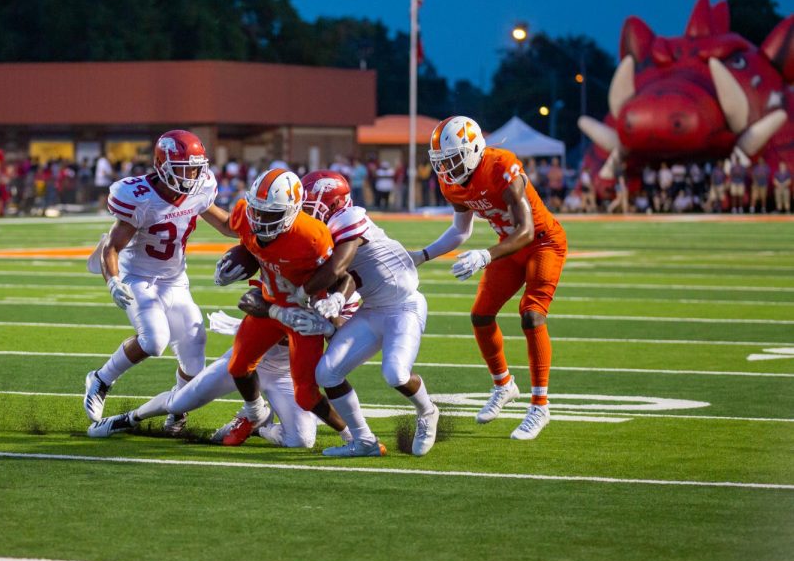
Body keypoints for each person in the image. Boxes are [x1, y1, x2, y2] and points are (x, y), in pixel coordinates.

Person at [413, 116, 568, 440]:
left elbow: (525, 229)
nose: (447, 169)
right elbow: (460, 231)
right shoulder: (452, 183)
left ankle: (540, 406)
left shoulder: (501, 165)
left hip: (542, 241)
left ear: (472, 151)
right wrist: (422, 255)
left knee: (532, 315)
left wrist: (485, 255)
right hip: (508, 246)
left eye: (452, 159)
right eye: (442, 162)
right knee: (481, 315)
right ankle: (504, 385)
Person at [83, 130, 238, 432]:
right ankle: (101, 378)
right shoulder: (139, 197)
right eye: (185, 169)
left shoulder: (199, 189)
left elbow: (226, 225)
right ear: (163, 166)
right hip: (139, 277)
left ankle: (177, 410)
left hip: (175, 280)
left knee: (195, 351)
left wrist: (259, 231)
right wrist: (113, 281)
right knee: (154, 341)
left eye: (196, 167)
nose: (193, 175)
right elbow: (112, 247)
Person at [292, 170, 439, 457]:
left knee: (396, 374)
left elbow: (337, 268)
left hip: (403, 306)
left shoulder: (349, 217)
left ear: (333, 204)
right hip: (372, 310)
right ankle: (364, 441)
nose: (305, 211)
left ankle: (428, 411)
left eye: (310, 204)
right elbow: (346, 276)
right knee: (327, 373)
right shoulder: (324, 230)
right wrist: (334, 300)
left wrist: (305, 293)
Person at [88, 288, 342, 448]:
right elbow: (249, 299)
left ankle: (258, 423)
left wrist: (330, 324)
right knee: (178, 404)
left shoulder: (336, 295)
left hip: (286, 374)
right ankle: (128, 419)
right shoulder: (283, 272)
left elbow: (344, 340)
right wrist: (276, 314)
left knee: (302, 441)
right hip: (248, 359)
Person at [219, 168, 353, 447]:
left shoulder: (312, 236)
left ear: (293, 211)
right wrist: (234, 262)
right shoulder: (244, 213)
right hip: (268, 307)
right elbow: (250, 246)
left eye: (271, 214)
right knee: (237, 366)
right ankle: (255, 413)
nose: (260, 219)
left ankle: (351, 434)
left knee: (305, 394)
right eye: (257, 210)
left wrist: (334, 304)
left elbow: (341, 275)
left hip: (303, 316)